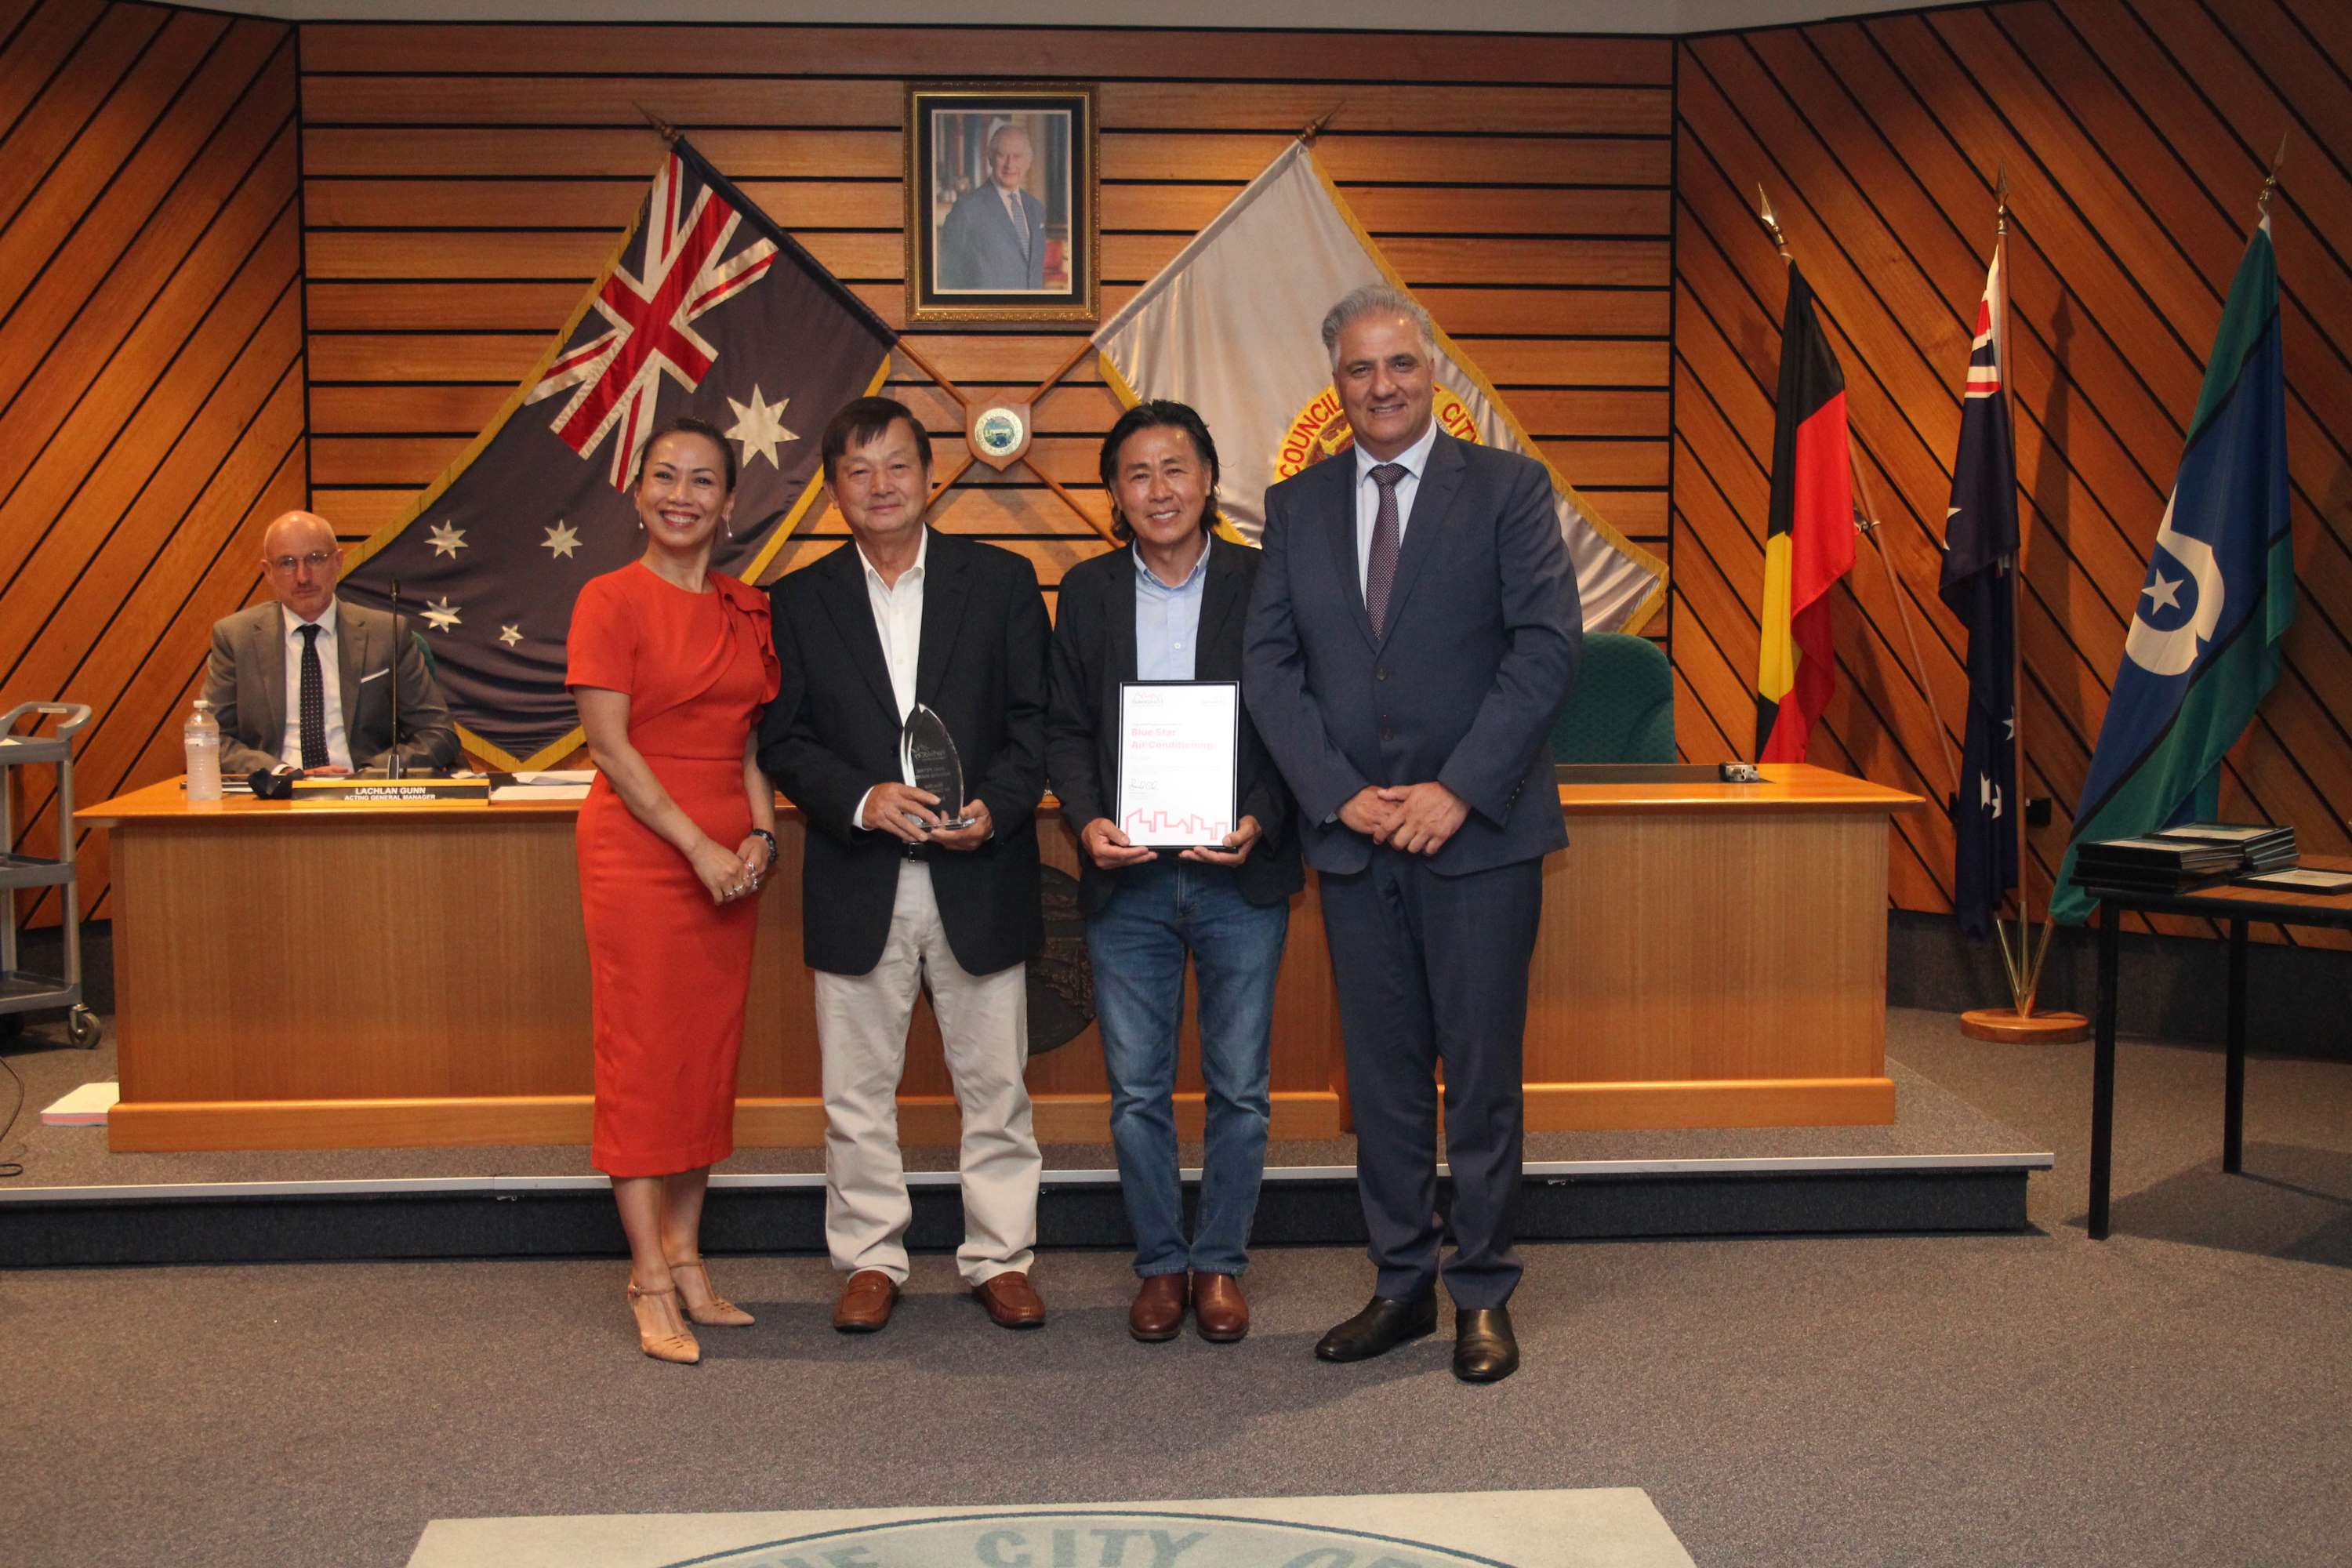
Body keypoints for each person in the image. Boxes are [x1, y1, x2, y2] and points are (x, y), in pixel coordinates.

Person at [1243, 285, 1582, 1385]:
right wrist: (1336, 794)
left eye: (1398, 365)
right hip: (1354, 842)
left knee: (1478, 1074)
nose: (1381, 386)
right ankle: (1400, 1285)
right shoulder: (1297, 505)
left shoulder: (1509, 489)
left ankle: (1482, 1289)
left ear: (1432, 369)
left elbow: (1545, 651)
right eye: (1358, 369)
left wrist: (1461, 789)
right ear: (1333, 385)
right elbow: (1271, 667)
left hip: (1476, 838)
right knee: (1384, 1081)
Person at [757, 395, 1052, 1334]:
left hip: (979, 868)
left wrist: (995, 812)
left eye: (897, 465)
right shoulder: (800, 600)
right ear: (835, 488)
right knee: (855, 1091)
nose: (880, 485)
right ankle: (872, 1257)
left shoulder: (1002, 581)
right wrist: (862, 798)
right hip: (858, 870)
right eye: (857, 469)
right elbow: (786, 737)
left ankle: (999, 1257)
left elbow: (1034, 725)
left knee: (997, 1085)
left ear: (931, 476)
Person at [1046, 401, 1300, 1344]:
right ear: (1115, 492)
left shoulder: (1267, 582)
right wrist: (1087, 818)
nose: (1159, 489)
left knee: (1240, 1086)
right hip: (1129, 878)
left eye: (1176, 468)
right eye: (1138, 473)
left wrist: (1262, 816)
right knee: (1138, 1090)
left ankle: (1221, 1263)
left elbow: (1297, 721)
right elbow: (1066, 730)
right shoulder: (1088, 591)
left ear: (1208, 478)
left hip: (1240, 875)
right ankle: (1160, 1262)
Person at [567, 416, 781, 1365]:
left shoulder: (749, 606)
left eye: (702, 481)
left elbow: (747, 746)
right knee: (645, 1057)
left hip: (731, 859)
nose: (682, 495)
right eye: (665, 477)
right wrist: (699, 846)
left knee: (704, 1053)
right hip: (645, 851)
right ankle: (648, 1274)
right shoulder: (609, 599)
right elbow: (610, 747)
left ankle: (692, 1255)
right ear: (638, 490)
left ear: (729, 502)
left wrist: (763, 830)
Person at [203, 510, 460, 775]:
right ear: (268, 572)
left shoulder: (387, 634)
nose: (303, 577)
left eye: (315, 559)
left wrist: (368, 775)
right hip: (274, 800)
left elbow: (438, 733)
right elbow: (211, 740)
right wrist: (281, 772)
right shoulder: (236, 638)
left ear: (338, 561)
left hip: (364, 798)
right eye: (287, 563)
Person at [935, 122, 1048, 292]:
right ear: (990, 158)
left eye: (1017, 156)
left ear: (1028, 162)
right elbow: (949, 278)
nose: (1010, 165)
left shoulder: (1036, 209)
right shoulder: (966, 209)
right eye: (1002, 155)